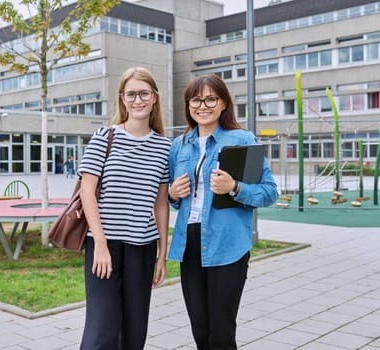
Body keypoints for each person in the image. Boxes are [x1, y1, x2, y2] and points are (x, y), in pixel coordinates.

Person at [167, 74, 278, 350]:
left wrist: (235, 187)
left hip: (227, 244)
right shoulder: (178, 146)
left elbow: (269, 192)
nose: (202, 105)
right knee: (200, 331)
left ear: (224, 103)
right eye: (196, 99)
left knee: (221, 333)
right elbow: (174, 199)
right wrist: (172, 194)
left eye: (211, 99)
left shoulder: (241, 139)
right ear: (188, 104)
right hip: (189, 243)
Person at [77, 67, 171, 350]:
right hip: (104, 246)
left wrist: (162, 254)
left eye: (144, 93)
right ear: (122, 99)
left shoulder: (165, 147)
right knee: (102, 328)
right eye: (131, 94)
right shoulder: (105, 137)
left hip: (143, 248)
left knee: (135, 328)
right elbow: (87, 192)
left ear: (154, 98)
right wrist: (102, 245)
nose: (138, 100)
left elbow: (160, 203)